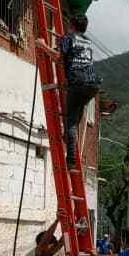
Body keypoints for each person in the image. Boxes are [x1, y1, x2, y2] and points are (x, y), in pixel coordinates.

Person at [36, 14, 102, 169]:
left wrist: (43, 46)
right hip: (92, 84)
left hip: (78, 83)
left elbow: (58, 57)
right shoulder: (88, 41)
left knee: (71, 121)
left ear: (72, 25)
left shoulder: (69, 38)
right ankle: (69, 137)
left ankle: (71, 159)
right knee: (76, 115)